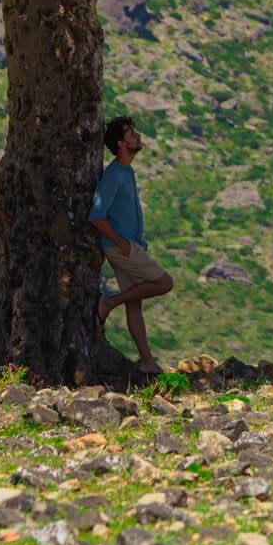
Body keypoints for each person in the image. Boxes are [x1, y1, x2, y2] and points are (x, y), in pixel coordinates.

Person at [89, 113, 174, 376]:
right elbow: (96, 215)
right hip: (122, 248)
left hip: (128, 245)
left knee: (135, 304)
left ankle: (147, 362)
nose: (138, 137)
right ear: (121, 144)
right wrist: (121, 243)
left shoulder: (127, 171)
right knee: (164, 283)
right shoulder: (114, 173)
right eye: (131, 134)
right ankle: (109, 302)